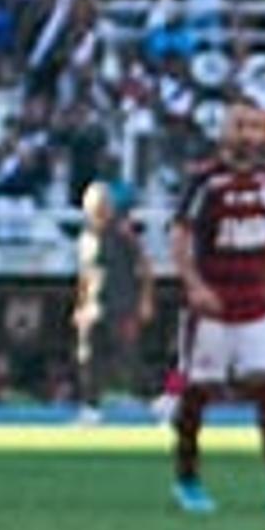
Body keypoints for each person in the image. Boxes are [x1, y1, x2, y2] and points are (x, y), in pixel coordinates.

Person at [165, 104, 265, 514]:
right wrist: (194, 285)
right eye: (239, 126)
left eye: (254, 126)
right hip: (214, 305)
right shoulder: (206, 182)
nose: (247, 135)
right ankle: (187, 478)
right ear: (223, 133)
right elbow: (179, 236)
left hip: (256, 302)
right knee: (198, 392)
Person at [69, 166, 149, 418]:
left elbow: (144, 267)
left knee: (128, 356)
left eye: (102, 204)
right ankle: (91, 406)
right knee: (89, 358)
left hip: (121, 303)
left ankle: (154, 399)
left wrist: (146, 300)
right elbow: (85, 275)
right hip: (94, 306)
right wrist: (80, 306)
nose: (99, 210)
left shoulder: (123, 233)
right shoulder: (85, 238)